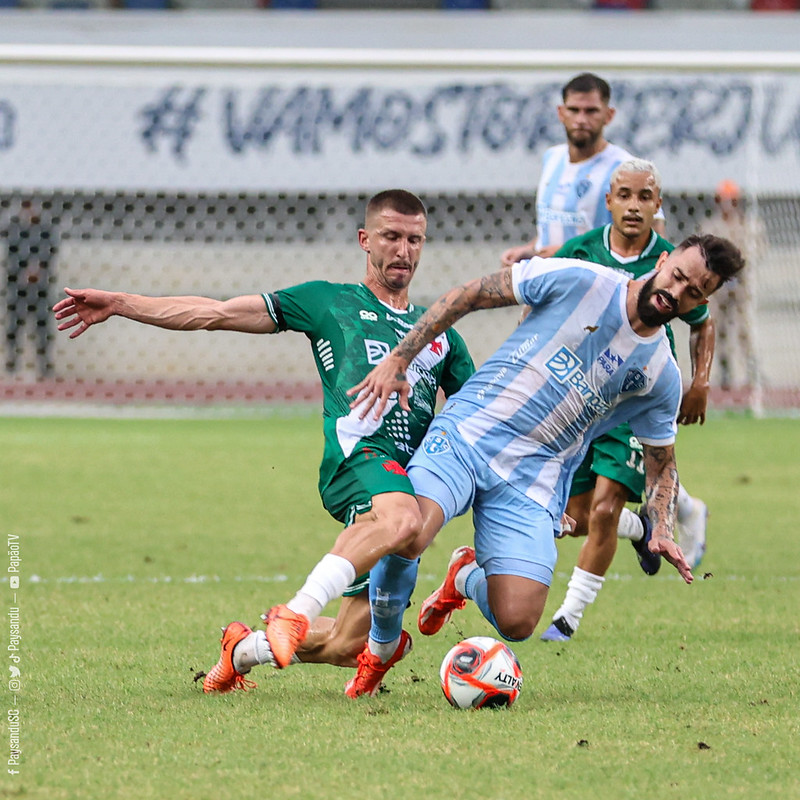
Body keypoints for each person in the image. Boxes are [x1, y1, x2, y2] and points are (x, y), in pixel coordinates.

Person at [262, 233, 744, 699]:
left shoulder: (661, 374)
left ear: (699, 304)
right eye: (678, 276)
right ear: (662, 261)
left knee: (518, 621)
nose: (676, 292)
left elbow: (662, 461)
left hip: (534, 480)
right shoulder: (580, 279)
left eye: (693, 292)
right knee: (408, 531)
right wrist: (401, 357)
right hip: (467, 436)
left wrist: (660, 525)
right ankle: (365, 639)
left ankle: (464, 577)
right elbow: (470, 295)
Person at [52, 189, 475, 688]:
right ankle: (296, 611)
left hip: (407, 480)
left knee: (349, 644)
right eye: (390, 237)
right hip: (359, 459)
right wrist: (123, 303)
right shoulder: (328, 302)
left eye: (413, 239)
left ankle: (242, 650)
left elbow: (481, 421)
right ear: (365, 240)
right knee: (404, 520)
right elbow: (216, 312)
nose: (403, 250)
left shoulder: (441, 332)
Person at [538, 158, 713, 643]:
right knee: (572, 515)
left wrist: (698, 383)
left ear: (657, 204)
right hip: (585, 399)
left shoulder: (672, 263)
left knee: (603, 510)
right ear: (609, 201)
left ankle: (566, 620)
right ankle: (644, 528)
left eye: (644, 197)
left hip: (638, 399)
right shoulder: (582, 250)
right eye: (625, 195)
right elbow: (547, 295)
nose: (634, 205)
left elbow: (703, 321)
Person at [501, 72, 665, 266]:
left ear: (609, 115)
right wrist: (529, 250)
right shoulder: (552, 157)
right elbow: (558, 226)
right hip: (545, 278)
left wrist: (569, 253)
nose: (581, 119)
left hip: (592, 284)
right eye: (574, 110)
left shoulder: (624, 168)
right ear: (561, 113)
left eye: (591, 111)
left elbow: (654, 235)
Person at [702, 179, 763, 392]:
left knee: (745, 329)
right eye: (724, 200)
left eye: (731, 200)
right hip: (717, 285)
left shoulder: (749, 224)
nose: (727, 205)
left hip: (742, 283)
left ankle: (752, 371)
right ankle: (724, 371)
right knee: (717, 328)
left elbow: (757, 251)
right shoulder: (710, 226)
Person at [3, 199, 59, 378]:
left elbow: (51, 251)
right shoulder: (15, 229)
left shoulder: (45, 230)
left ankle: (43, 362)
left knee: (42, 325)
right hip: (18, 287)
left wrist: (38, 269)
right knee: (14, 324)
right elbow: (11, 255)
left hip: (40, 287)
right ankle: (12, 361)